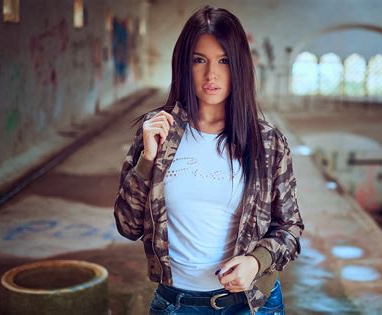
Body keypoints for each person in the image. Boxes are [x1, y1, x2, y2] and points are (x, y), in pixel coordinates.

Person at [114, 5, 304, 314]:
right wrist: (147, 160)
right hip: (176, 304)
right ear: (183, 65)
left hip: (251, 305)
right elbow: (127, 226)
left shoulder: (267, 142)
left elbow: (290, 227)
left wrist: (257, 262)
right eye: (199, 60)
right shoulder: (158, 132)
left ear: (239, 66)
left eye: (224, 61)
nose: (211, 74)